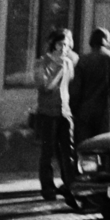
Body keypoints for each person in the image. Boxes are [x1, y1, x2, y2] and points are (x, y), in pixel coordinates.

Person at [32, 29, 78, 205]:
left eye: (66, 45)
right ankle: (48, 188)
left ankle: (70, 186)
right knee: (47, 152)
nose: (63, 48)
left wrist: (67, 55)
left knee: (68, 152)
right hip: (47, 113)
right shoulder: (41, 63)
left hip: (65, 112)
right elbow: (46, 87)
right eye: (60, 44)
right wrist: (59, 67)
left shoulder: (68, 61)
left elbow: (70, 82)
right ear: (52, 44)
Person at [69, 27, 110, 141]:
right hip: (107, 111)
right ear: (107, 41)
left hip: (85, 112)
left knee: (86, 148)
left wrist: (73, 110)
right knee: (105, 147)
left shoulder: (83, 60)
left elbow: (75, 90)